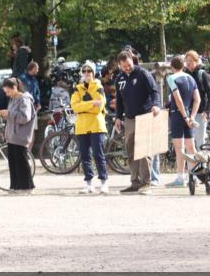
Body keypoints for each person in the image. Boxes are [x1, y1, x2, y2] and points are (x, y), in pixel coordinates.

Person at [114, 51, 161, 194]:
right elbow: (119, 100)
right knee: (131, 151)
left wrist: (156, 105)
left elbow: (154, 91)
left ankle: (146, 183)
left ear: (132, 61)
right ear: (119, 65)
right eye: (124, 66)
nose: (127, 68)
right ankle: (135, 182)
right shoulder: (119, 78)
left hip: (145, 115)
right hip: (129, 118)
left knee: (145, 151)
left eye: (129, 65)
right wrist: (118, 117)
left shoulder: (143, 74)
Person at [71, 61, 109, 194]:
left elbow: (100, 107)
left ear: (94, 73)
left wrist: (83, 106)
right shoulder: (77, 88)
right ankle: (88, 183)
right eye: (84, 71)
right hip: (82, 126)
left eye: (89, 71)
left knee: (99, 155)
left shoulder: (98, 86)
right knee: (85, 156)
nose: (86, 73)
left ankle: (104, 182)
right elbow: (75, 107)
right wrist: (92, 103)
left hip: (96, 126)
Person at [165, 56, 200, 188]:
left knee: (179, 147)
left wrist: (185, 117)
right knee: (191, 147)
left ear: (171, 66)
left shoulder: (171, 78)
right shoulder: (191, 78)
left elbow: (178, 99)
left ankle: (181, 178)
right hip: (189, 114)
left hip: (178, 114)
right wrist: (192, 116)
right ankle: (194, 176)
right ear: (184, 65)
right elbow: (197, 99)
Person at [0, 77, 37, 192]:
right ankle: (15, 186)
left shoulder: (24, 99)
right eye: (6, 92)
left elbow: (25, 117)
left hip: (20, 136)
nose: (7, 94)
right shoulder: (13, 99)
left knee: (21, 162)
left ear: (15, 87)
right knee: (13, 163)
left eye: (8, 91)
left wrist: (9, 113)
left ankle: (27, 186)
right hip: (12, 136)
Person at [184, 51, 210, 148]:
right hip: (187, 113)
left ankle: (201, 158)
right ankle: (190, 158)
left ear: (196, 61)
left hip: (201, 112)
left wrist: (207, 111)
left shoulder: (202, 74)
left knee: (200, 141)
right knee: (188, 141)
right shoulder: (184, 75)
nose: (188, 63)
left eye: (191, 60)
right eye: (187, 61)